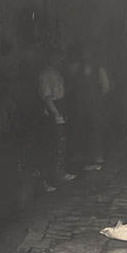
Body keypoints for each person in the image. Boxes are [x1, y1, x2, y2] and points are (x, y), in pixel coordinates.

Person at [36, 56, 75, 190]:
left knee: (61, 143)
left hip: (60, 106)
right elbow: (47, 98)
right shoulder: (46, 75)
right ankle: (52, 177)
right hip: (52, 110)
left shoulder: (56, 73)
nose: (60, 61)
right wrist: (56, 113)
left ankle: (60, 173)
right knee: (53, 145)